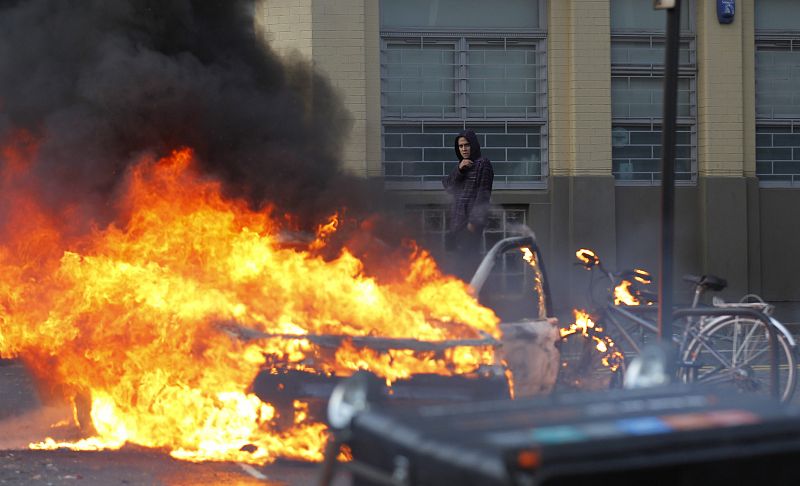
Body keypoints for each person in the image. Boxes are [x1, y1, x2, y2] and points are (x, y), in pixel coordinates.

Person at [442, 129, 494, 280]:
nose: (464, 149)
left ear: (474, 145)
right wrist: (459, 170)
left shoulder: (483, 164)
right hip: (455, 225)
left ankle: (473, 297)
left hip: (469, 225)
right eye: (460, 146)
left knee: (468, 265)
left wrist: (473, 222)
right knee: (454, 266)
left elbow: (483, 195)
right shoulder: (462, 166)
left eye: (467, 145)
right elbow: (448, 186)